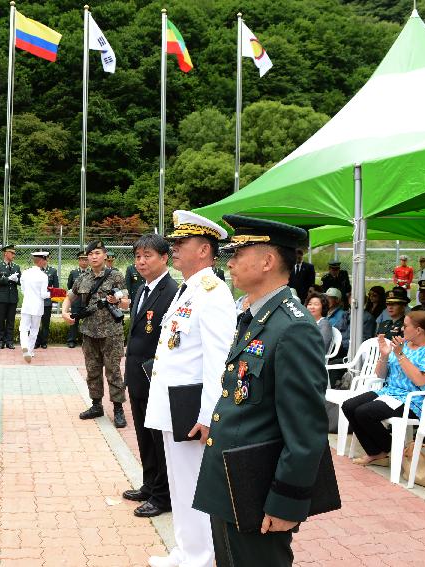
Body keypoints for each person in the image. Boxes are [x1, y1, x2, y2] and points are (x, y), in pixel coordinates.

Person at [193, 214, 328, 567]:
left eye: (239, 253)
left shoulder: (292, 328)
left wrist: (287, 502)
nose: (230, 262)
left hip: (258, 488)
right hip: (231, 480)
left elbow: (306, 429)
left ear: (268, 261)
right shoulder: (255, 316)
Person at [143, 211, 234, 567]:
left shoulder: (213, 292)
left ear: (204, 250)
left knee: (195, 484)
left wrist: (208, 414)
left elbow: (218, 360)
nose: (174, 248)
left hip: (192, 409)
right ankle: (185, 550)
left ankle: (200, 557)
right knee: (180, 485)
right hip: (172, 405)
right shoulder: (189, 289)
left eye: (182, 243)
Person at [342, 311, 425, 466]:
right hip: (390, 392)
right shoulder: (403, 344)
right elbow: (380, 374)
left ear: (418, 330)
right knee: (349, 406)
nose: (401, 329)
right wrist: (384, 356)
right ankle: (379, 451)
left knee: (364, 412)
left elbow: (421, 380)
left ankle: (388, 449)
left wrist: (400, 355)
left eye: (405, 326)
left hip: (415, 399)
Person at [120, 234, 178, 519]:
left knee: (158, 438)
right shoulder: (143, 289)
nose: (141, 262)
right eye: (138, 256)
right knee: (143, 435)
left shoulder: (172, 291)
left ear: (165, 257)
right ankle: (149, 484)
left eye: (148, 256)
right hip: (137, 374)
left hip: (155, 375)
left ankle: (163, 496)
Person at [61, 240, 127, 428]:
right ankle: (96, 405)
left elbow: (127, 301)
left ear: (105, 255)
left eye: (97, 253)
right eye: (90, 254)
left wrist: (118, 300)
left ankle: (118, 409)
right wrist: (65, 312)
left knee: (113, 371)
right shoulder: (83, 278)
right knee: (92, 371)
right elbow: (69, 296)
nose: (94, 256)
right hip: (89, 332)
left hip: (111, 333)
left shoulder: (116, 276)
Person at [19, 250, 51, 363]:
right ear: (41, 260)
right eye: (46, 259)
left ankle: (24, 346)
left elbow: (22, 290)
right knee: (34, 329)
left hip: (27, 304)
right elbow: (43, 294)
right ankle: (30, 350)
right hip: (37, 307)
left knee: (23, 328)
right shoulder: (43, 276)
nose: (46, 262)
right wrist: (52, 294)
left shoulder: (25, 273)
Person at [0, 244, 21, 349]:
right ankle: (1, 340)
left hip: (12, 297)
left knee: (11, 320)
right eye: (12, 253)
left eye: (14, 253)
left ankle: (9, 341)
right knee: (1, 320)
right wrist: (8, 279)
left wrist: (17, 280)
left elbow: (20, 282)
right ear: (6, 253)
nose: (14, 255)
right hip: (2, 297)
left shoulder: (16, 267)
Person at [66, 251, 89, 348]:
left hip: (88, 301)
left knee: (88, 322)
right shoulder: (73, 273)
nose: (84, 262)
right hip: (76, 301)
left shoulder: (91, 272)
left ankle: (87, 341)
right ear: (78, 261)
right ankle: (71, 340)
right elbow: (69, 286)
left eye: (86, 260)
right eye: (82, 260)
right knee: (74, 321)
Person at [36, 253, 58, 349]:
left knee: (45, 323)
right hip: (36, 300)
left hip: (47, 301)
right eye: (41, 258)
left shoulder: (52, 271)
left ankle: (44, 341)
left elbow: (56, 287)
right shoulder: (35, 271)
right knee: (36, 322)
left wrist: (55, 302)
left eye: (45, 258)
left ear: (47, 259)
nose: (44, 260)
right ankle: (36, 341)